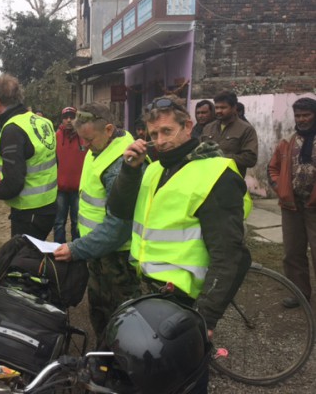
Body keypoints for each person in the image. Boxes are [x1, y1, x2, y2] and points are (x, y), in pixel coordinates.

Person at [108, 95, 252, 393]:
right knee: (153, 379)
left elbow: (230, 255)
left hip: (186, 303)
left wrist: (207, 318)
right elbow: (120, 210)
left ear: (188, 126)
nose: (160, 142)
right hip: (150, 292)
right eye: (154, 134)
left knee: (185, 382)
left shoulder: (215, 174)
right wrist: (130, 170)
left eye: (167, 131)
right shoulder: (154, 169)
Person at [53, 102, 141, 345]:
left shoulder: (120, 165)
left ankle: (119, 360)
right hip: (98, 251)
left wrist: (76, 249)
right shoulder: (99, 149)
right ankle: (103, 353)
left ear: (109, 129)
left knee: (122, 319)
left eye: (88, 139)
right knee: (99, 311)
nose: (84, 145)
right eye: (81, 139)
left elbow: (118, 228)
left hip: (117, 259)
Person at [0, 74, 57, 240]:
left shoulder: (12, 129)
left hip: (28, 213)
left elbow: (13, 184)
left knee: (21, 256)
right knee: (36, 254)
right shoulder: (43, 122)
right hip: (49, 206)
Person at [268, 97, 316, 308]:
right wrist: (281, 188)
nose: (302, 119)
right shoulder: (287, 142)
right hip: (292, 206)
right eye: (298, 116)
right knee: (292, 253)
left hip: (314, 207)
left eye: (306, 115)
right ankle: (300, 294)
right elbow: (272, 168)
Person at [200, 90, 258, 176]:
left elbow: (250, 159)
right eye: (217, 108)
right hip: (208, 178)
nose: (219, 111)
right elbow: (199, 151)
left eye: (223, 108)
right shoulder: (208, 128)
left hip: (231, 180)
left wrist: (221, 157)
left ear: (234, 108)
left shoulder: (246, 129)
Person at [53, 106, 86, 243]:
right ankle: (58, 249)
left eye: (72, 117)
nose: (68, 120)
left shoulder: (84, 137)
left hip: (78, 189)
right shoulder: (56, 137)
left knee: (77, 222)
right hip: (61, 189)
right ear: (62, 119)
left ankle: (76, 250)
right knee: (59, 222)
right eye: (65, 117)